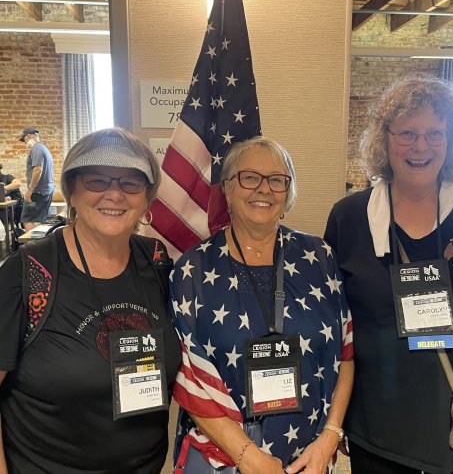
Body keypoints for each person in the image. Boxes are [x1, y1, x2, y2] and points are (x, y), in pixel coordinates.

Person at [324, 75, 453, 474]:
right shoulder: (349, 217)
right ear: (384, 140)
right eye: (407, 133)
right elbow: (333, 323)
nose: (421, 146)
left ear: (452, 140)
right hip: (381, 432)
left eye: (435, 133)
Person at [0, 127, 182, 473]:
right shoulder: (26, 274)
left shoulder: (156, 261)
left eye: (131, 183)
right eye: (97, 181)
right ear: (71, 189)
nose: (114, 194)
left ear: (147, 198)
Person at [169, 137, 354, 473]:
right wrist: (249, 459)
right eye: (249, 177)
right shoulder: (192, 269)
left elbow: (346, 353)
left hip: (308, 458)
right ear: (227, 188)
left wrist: (329, 437)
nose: (264, 189)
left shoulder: (320, 258)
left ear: (289, 190)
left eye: (277, 180)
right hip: (224, 458)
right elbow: (190, 377)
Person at [19, 127, 54, 230]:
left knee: (27, 219)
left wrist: (30, 190)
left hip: (37, 192)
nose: (25, 143)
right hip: (46, 190)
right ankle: (39, 244)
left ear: (29, 136)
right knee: (42, 219)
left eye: (24, 139)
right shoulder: (44, 149)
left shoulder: (37, 148)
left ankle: (31, 246)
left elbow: (38, 169)